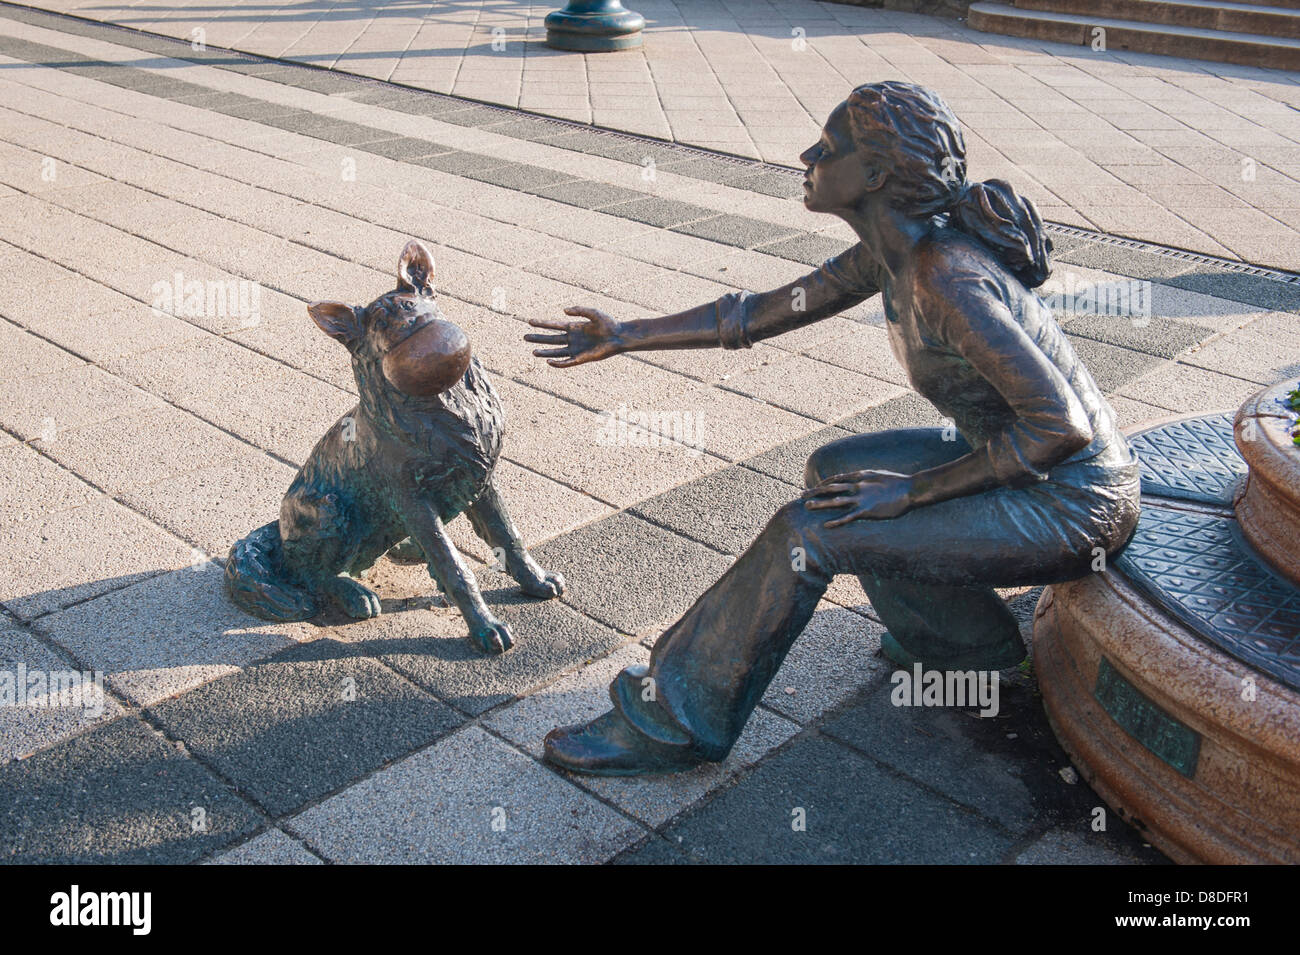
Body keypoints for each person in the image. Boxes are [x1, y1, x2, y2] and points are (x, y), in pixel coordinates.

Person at [523, 81, 1140, 777]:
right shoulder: (891, 252)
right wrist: (628, 334)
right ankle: (963, 646)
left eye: (828, 146)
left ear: (874, 176)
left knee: (810, 529)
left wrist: (912, 493)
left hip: (1072, 503)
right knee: (837, 472)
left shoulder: (945, 278)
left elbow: (1063, 426)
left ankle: (675, 718)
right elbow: (754, 315)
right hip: (1015, 463)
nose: (807, 155)